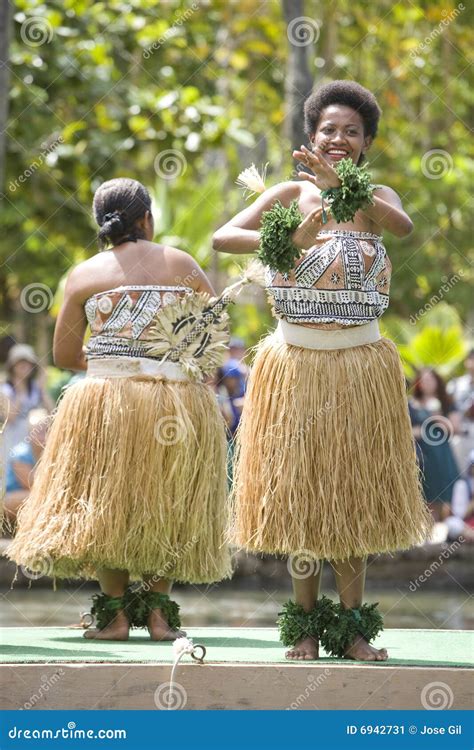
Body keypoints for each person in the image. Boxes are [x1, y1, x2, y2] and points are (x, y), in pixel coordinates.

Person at [213, 80, 432, 662]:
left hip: (361, 368)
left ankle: (355, 630)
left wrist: (345, 191)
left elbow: (403, 228)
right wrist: (291, 232)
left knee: (351, 500)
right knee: (304, 500)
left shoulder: (376, 196)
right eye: (328, 129)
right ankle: (304, 628)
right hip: (297, 368)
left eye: (351, 131)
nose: (338, 138)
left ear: (365, 144)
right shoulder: (288, 194)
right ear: (311, 136)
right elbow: (223, 237)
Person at [9, 177, 231, 641]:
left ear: (102, 224)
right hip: (174, 403)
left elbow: (65, 356)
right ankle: (160, 617)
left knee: (110, 505)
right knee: (167, 503)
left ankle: (112, 617)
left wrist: (116, 357)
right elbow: (213, 338)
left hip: (106, 402)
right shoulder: (181, 263)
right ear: (147, 219)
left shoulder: (84, 274)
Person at [409, 368, 461, 520]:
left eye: (431, 380)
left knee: (445, 488)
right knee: (425, 489)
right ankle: (426, 528)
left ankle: (444, 525)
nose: (427, 383)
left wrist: (437, 416)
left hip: (442, 453)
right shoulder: (411, 405)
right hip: (421, 454)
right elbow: (406, 432)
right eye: (423, 380)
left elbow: (454, 428)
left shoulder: (446, 402)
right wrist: (420, 431)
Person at [1, 344, 53, 457]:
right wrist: (20, 391)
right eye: (20, 363)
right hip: (12, 443)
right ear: (13, 366)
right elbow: (9, 418)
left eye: (27, 363)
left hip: (33, 444)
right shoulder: (6, 389)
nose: (24, 366)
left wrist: (42, 389)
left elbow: (52, 413)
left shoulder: (35, 387)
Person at [3, 409, 49, 526]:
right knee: (36, 498)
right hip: (9, 497)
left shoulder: (50, 453)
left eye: (47, 431)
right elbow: (33, 485)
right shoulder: (20, 454)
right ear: (30, 433)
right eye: (39, 432)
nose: (43, 437)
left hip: (30, 496)